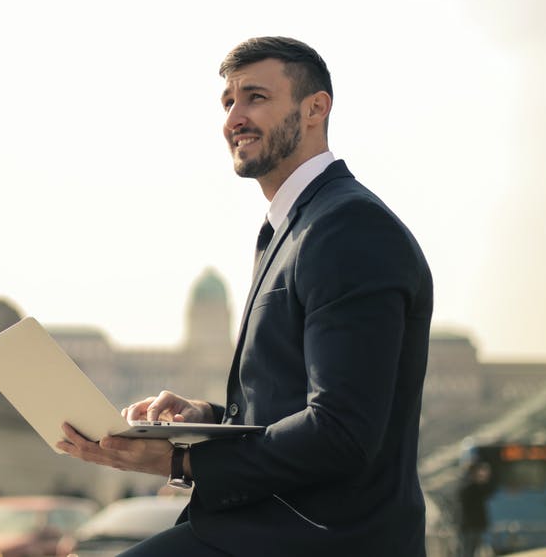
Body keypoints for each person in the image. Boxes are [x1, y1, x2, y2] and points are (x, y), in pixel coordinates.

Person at [57, 37, 433, 556]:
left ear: (314, 109)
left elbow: (342, 430)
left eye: (255, 97)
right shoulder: (297, 228)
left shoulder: (348, 227)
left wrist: (178, 462)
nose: (235, 117)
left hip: (314, 540)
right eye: (228, 102)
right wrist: (206, 421)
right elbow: (291, 401)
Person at [457, 462, 493, 557]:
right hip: (470, 527)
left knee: (477, 551)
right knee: (469, 551)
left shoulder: (477, 487)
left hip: (477, 526)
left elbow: (489, 491)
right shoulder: (468, 487)